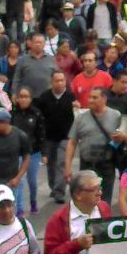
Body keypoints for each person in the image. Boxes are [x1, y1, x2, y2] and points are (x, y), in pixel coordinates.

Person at [43, 170, 112, 254]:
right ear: (78, 194)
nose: (100, 193)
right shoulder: (58, 220)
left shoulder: (104, 209)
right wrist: (77, 245)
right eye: (94, 189)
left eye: (99, 188)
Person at [65, 87, 126, 202]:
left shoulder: (115, 115)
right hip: (87, 165)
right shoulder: (80, 118)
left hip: (107, 165)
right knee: (86, 198)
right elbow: (72, 143)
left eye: (95, 97)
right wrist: (67, 167)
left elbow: (124, 136)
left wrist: (122, 137)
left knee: (104, 200)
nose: (90, 100)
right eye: (89, 97)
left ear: (104, 99)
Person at [36, 71, 75, 204]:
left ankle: (60, 191)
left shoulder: (70, 97)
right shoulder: (44, 97)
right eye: (57, 81)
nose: (59, 83)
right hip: (49, 136)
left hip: (66, 136)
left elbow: (76, 116)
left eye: (62, 80)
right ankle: (53, 186)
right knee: (51, 163)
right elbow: (40, 118)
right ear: (51, 82)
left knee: (61, 163)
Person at [11, 87, 46, 215]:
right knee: (19, 180)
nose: (23, 99)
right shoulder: (13, 114)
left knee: (32, 181)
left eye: (26, 96)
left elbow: (41, 134)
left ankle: (33, 201)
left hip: (33, 152)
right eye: (21, 96)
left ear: (30, 99)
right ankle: (19, 208)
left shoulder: (36, 113)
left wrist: (44, 153)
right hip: (18, 152)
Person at [11, 33, 57, 99]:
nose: (38, 45)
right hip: (27, 98)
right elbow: (17, 78)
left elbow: (56, 77)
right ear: (31, 44)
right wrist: (14, 93)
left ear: (44, 44)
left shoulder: (51, 59)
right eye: (36, 42)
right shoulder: (22, 60)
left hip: (47, 98)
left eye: (40, 42)